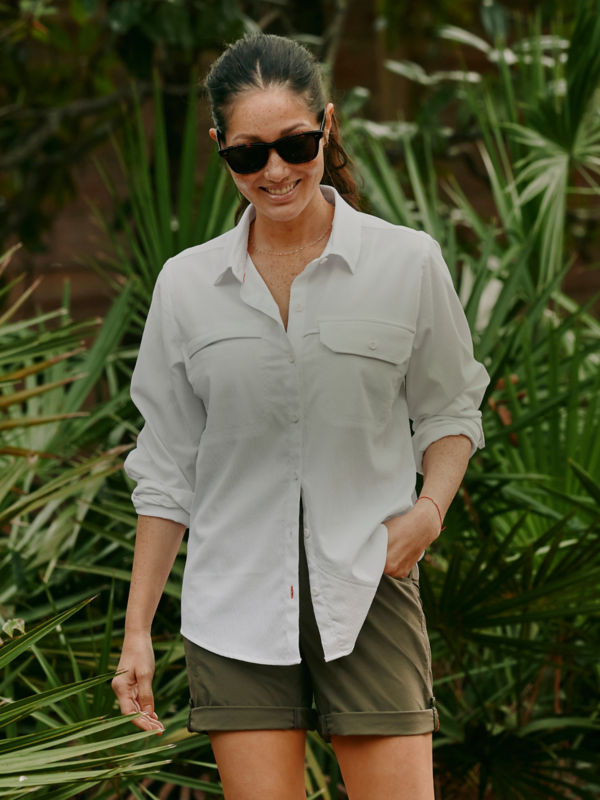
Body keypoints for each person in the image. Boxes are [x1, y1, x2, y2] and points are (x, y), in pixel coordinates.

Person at [112, 32, 490, 800]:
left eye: (296, 144)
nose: (276, 171)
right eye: (248, 155)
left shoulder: (406, 262)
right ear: (221, 148)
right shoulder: (185, 287)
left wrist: (428, 512)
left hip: (371, 581)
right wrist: (137, 631)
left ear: (327, 126)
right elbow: (166, 467)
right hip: (233, 603)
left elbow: (450, 407)